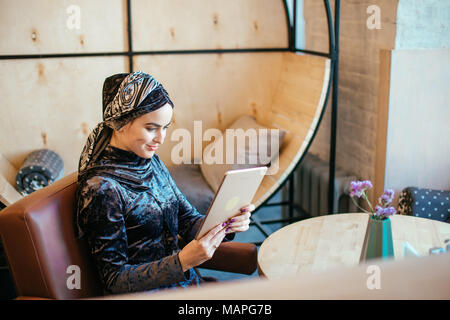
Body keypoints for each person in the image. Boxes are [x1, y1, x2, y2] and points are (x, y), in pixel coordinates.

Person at [74, 71, 254, 295]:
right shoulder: (102, 188)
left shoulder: (152, 163)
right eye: (151, 128)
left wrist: (225, 223)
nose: (161, 138)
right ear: (119, 123)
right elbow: (114, 279)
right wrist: (182, 262)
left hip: (182, 285)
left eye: (166, 127)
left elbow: (187, 220)